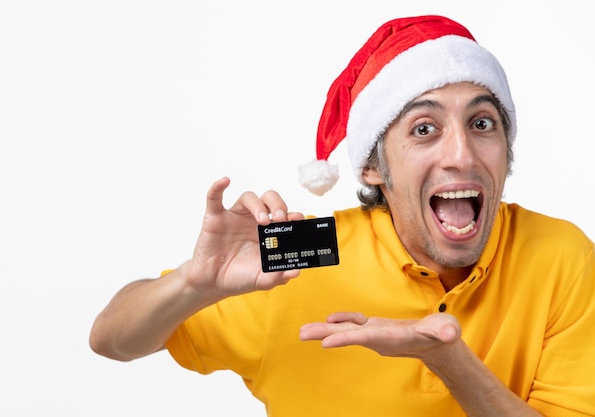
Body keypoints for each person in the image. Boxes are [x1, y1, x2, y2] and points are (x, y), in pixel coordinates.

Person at [89, 15, 595, 417]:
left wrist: (450, 362)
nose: (461, 154)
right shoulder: (302, 252)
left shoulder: (557, 255)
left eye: (482, 122)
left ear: (505, 150)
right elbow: (110, 339)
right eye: (424, 129)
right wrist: (194, 284)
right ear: (373, 167)